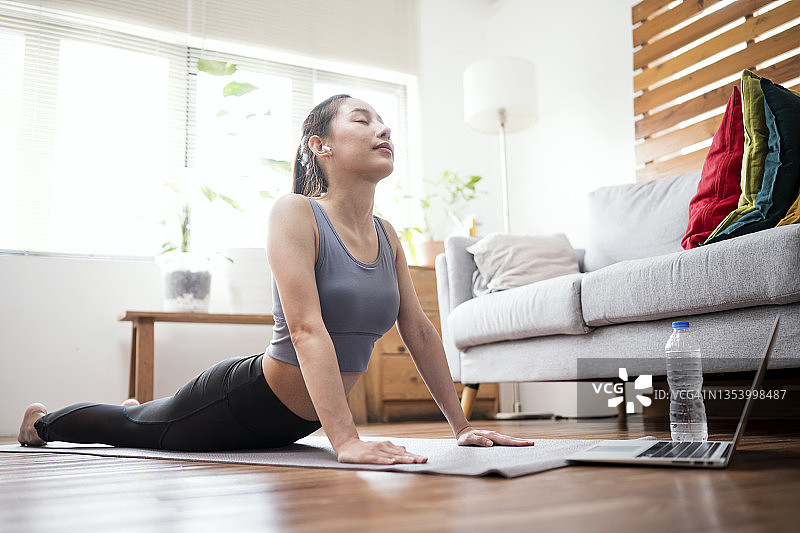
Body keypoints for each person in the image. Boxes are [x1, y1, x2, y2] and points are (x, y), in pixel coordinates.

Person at [18, 94, 535, 465]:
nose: (383, 131)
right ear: (321, 146)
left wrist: (462, 427)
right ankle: (41, 423)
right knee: (132, 430)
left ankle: (147, 410)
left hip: (299, 420)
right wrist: (347, 441)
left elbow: (419, 332)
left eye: (385, 124)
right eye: (363, 121)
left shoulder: (387, 234)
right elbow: (307, 329)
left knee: (147, 419)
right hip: (244, 400)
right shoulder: (296, 213)